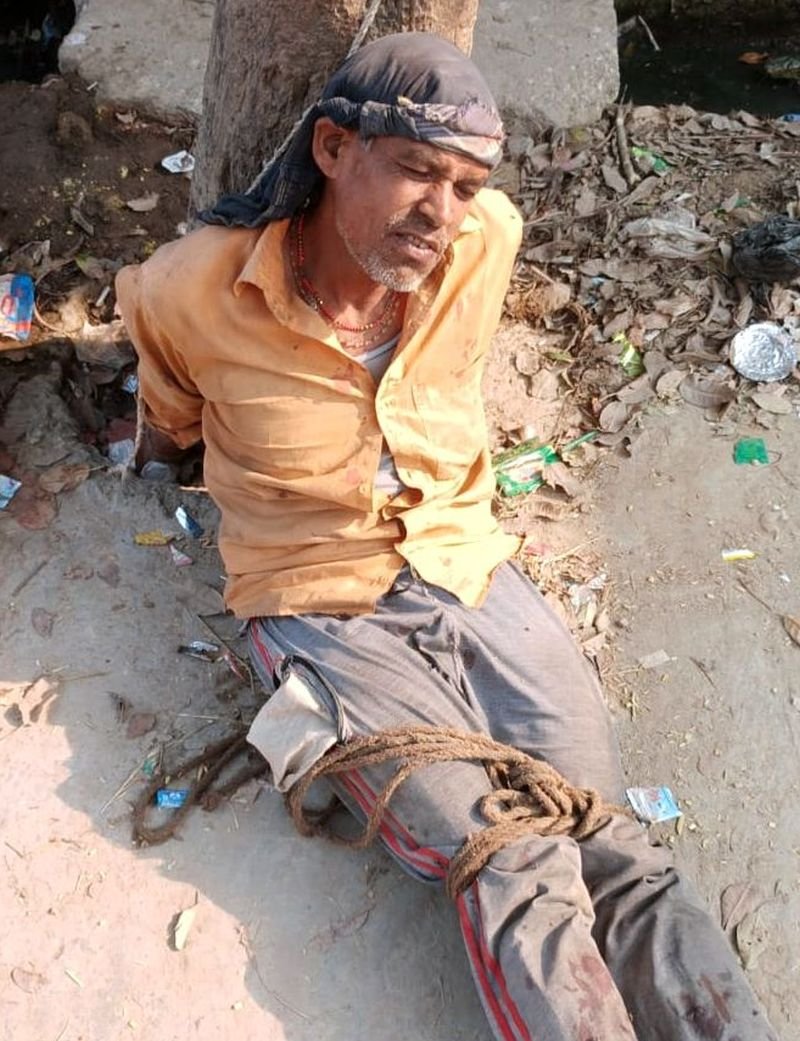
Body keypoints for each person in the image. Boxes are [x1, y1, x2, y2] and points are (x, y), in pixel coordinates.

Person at [116, 32, 778, 1041]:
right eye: (417, 170)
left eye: (465, 185)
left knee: (612, 845)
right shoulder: (185, 288)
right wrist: (165, 458)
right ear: (333, 149)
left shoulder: (484, 241)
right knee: (512, 858)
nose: (441, 211)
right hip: (315, 598)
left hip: (463, 557)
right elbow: (169, 419)